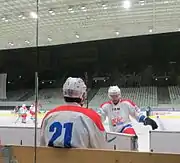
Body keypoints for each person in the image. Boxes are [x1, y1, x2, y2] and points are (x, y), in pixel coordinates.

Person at [40, 77, 108, 149]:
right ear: (83, 95)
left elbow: (42, 144)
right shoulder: (91, 116)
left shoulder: (49, 115)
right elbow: (101, 147)